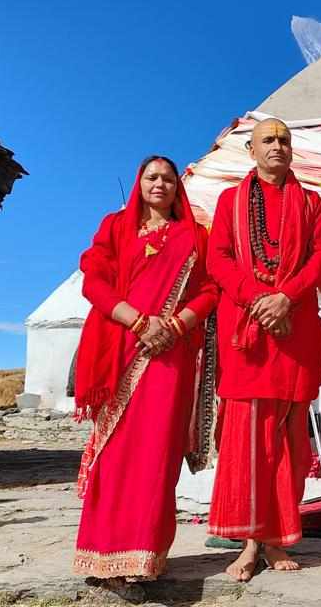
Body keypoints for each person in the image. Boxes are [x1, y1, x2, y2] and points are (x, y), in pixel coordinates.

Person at [72, 155, 219, 585]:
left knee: (156, 455)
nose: (160, 184)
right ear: (140, 183)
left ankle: (143, 559)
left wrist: (174, 324)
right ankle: (100, 555)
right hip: (121, 348)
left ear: (178, 187)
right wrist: (137, 321)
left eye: (168, 179)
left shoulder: (194, 236)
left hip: (170, 355)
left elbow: (209, 290)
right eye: (152, 177)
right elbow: (93, 281)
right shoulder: (115, 227)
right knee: (114, 456)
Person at [206, 118, 321, 582]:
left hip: (294, 333)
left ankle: (279, 537)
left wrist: (286, 297)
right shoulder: (229, 202)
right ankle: (250, 542)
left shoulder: (312, 202)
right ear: (251, 149)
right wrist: (258, 297)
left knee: (290, 443)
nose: (278, 146)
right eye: (269, 140)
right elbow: (217, 258)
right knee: (248, 442)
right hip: (248, 333)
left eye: (284, 140)